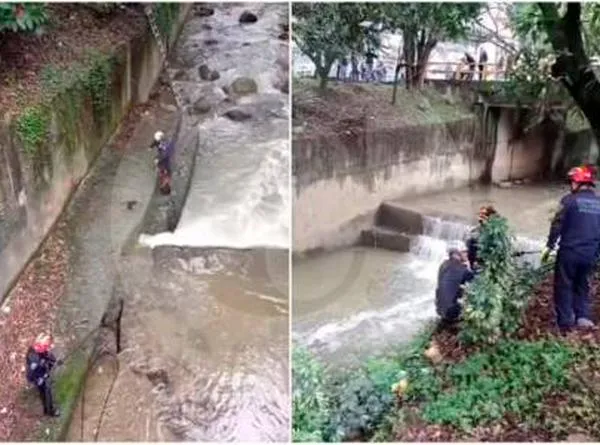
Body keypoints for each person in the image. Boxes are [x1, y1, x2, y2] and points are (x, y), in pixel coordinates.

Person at [542, 164, 600, 331]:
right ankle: (583, 317)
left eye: (572, 182)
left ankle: (566, 324)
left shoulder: (568, 201)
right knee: (582, 284)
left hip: (570, 252)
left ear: (578, 183)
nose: (570, 186)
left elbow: (557, 225)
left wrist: (549, 246)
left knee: (564, 285)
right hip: (590, 254)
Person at [435, 241, 475, 326]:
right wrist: (469, 268)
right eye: (464, 252)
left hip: (439, 309)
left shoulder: (443, 264)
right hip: (451, 313)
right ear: (455, 254)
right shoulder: (462, 270)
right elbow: (476, 281)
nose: (467, 254)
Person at [25, 333, 60, 417]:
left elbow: (48, 356)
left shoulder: (41, 349)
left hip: (42, 371)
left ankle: (47, 409)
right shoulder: (34, 357)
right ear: (40, 341)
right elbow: (31, 373)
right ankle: (50, 411)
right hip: (38, 376)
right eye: (46, 343)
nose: (47, 346)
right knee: (46, 393)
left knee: (45, 391)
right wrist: (40, 379)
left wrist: (55, 361)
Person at [465, 205, 498, 271]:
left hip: (483, 263)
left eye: (483, 215)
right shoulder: (475, 231)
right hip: (479, 262)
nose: (480, 217)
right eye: (480, 215)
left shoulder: (492, 232)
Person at [151, 130, 173, 195]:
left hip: (163, 163)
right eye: (162, 187)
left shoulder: (166, 180)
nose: (160, 186)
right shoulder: (166, 179)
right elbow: (165, 171)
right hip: (164, 163)